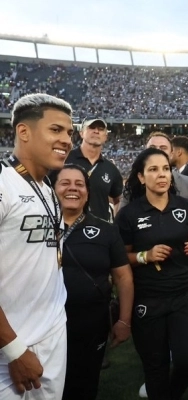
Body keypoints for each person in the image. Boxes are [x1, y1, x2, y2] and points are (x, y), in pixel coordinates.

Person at [115, 148, 188, 400]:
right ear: (141, 177)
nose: (161, 174)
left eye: (165, 168)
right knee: (155, 369)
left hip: (184, 296)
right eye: (153, 170)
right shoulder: (129, 215)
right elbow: (120, 260)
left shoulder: (185, 207)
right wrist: (146, 256)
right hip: (148, 300)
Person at [0, 93, 73, 399]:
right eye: (56, 130)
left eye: (70, 132)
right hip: (10, 346)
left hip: (51, 335)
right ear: (24, 132)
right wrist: (14, 349)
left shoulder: (46, 188)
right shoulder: (4, 182)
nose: (67, 140)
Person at [54, 164, 134, 400]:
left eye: (79, 184)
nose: (73, 189)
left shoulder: (106, 230)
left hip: (91, 325)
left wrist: (124, 321)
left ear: (88, 192)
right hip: (45, 325)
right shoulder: (36, 227)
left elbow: (123, 276)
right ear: (52, 189)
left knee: (84, 385)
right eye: (65, 183)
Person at [119, 132, 188, 233]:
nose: (157, 151)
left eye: (163, 147)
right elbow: (122, 220)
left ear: (172, 153)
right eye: (152, 147)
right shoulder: (133, 184)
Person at [59, 118, 123, 222]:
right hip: (67, 229)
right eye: (91, 128)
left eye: (101, 129)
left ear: (105, 136)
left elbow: (118, 198)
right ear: (81, 133)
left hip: (98, 232)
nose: (96, 131)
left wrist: (115, 223)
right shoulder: (64, 159)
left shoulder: (110, 168)